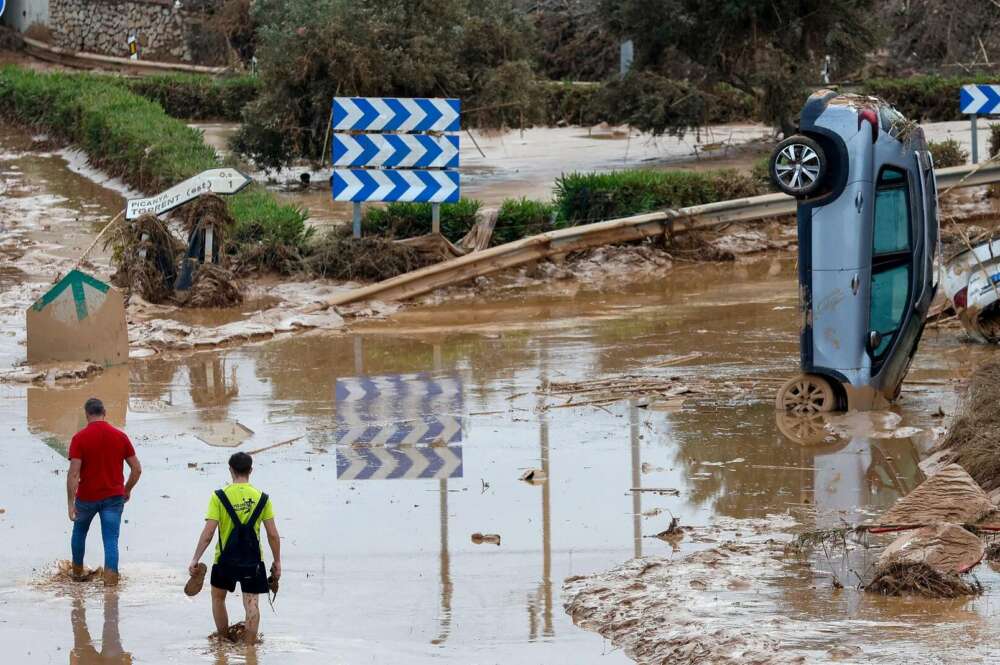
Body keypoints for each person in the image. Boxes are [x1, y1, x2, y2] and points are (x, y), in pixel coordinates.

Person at [188, 452, 281, 645]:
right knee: (252, 604)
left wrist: (195, 558)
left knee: (218, 598)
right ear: (251, 471)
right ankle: (249, 647)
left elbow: (208, 533)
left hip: (224, 560)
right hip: (253, 561)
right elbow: (272, 534)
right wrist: (277, 561)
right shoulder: (262, 498)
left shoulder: (218, 497)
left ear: (230, 470)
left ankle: (223, 640)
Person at [67, 398, 142, 587]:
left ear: (87, 414)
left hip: (86, 498)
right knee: (110, 539)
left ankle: (76, 575)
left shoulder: (79, 438)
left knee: (79, 533)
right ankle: (110, 583)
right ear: (105, 412)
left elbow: (74, 473)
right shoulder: (120, 436)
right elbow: (137, 469)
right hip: (113, 498)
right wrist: (126, 490)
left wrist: (70, 503)